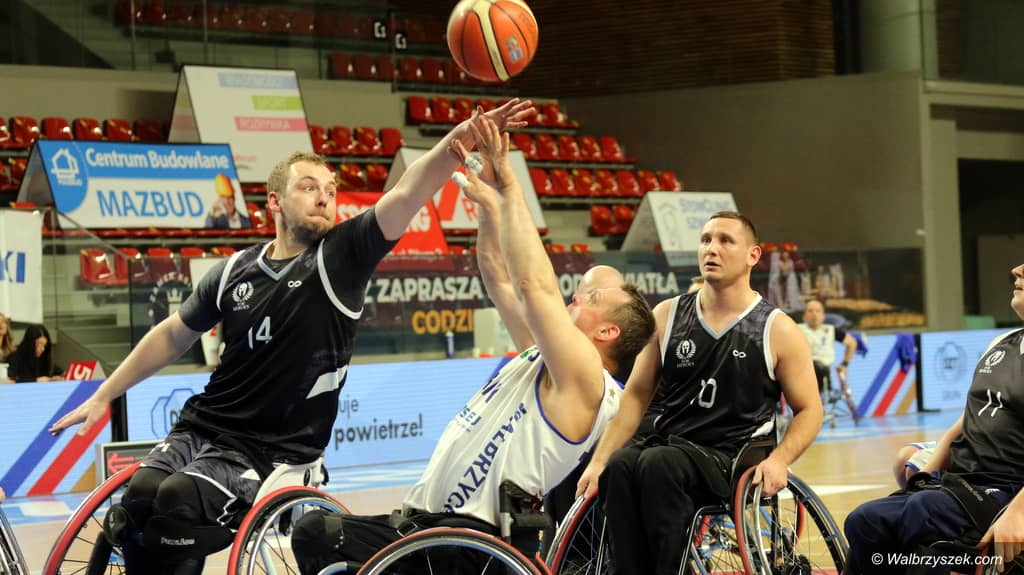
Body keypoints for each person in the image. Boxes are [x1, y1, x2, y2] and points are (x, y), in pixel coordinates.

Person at [47, 99, 536, 575]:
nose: (324, 196)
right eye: (309, 186)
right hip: (202, 425)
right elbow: (173, 335)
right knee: (139, 498)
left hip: (273, 449)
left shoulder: (342, 257)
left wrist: (462, 136)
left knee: (176, 502)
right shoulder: (233, 271)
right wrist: (105, 394)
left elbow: (409, 191)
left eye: (331, 189)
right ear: (275, 201)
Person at [289, 115, 656, 574]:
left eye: (593, 298)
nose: (577, 296)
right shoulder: (546, 359)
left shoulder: (588, 380)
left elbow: (533, 286)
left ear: (608, 333)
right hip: (425, 526)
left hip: (471, 545)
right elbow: (499, 278)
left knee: (322, 537)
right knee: (316, 533)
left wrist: (511, 189)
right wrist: (489, 214)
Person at [576, 211, 823, 575]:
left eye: (725, 241)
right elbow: (636, 396)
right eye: (706, 240)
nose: (712, 248)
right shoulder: (667, 315)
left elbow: (810, 409)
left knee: (658, 463)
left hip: (732, 456)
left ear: (753, 255)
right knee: (620, 466)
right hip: (670, 446)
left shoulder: (777, 329)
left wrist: (780, 460)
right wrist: (599, 461)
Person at [844, 262, 1024, 574]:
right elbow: (967, 420)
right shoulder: (1002, 343)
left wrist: (1019, 513)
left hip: (1007, 489)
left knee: (923, 513)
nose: (1016, 270)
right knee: (863, 520)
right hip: (963, 483)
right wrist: (925, 475)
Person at [798, 298, 857, 394]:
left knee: (820, 369)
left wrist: (844, 364)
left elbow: (852, 343)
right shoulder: (796, 329)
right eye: (810, 311)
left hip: (824, 371)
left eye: (818, 311)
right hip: (803, 371)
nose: (814, 314)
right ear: (804, 316)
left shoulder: (830, 330)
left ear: (823, 316)